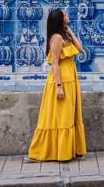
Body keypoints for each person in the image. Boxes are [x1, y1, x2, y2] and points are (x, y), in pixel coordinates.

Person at [28, 9, 86, 162]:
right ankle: (57, 152)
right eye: (65, 14)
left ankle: (68, 150)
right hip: (61, 80)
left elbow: (80, 49)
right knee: (61, 117)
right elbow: (54, 62)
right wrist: (59, 86)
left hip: (70, 77)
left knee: (68, 116)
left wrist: (70, 31)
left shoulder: (63, 35)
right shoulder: (57, 38)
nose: (68, 15)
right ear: (60, 19)